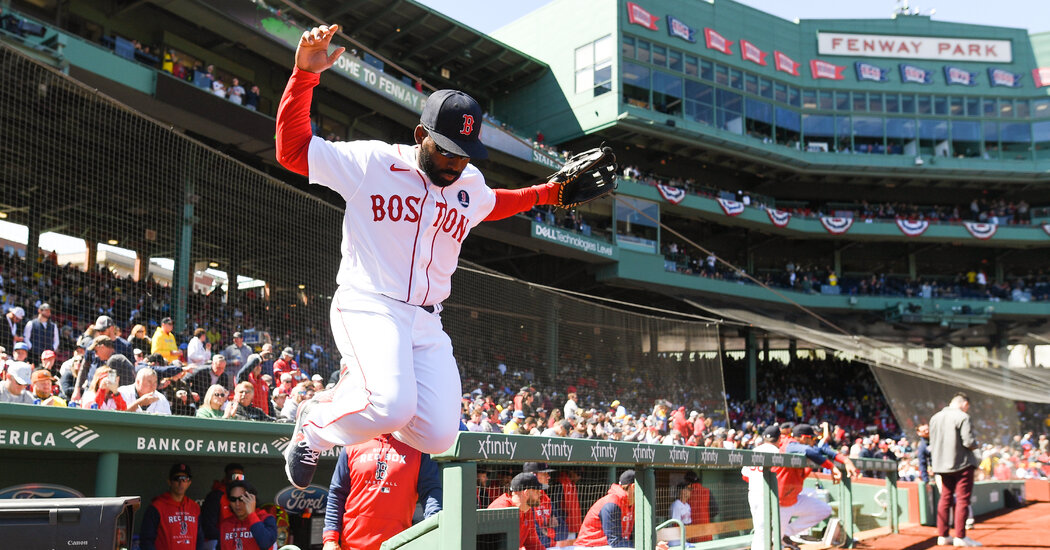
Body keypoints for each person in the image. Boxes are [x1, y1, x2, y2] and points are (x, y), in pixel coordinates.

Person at [276, 23, 588, 489]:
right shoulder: (374, 164)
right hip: (369, 303)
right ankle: (315, 425)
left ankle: (357, 389)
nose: (456, 162)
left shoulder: (469, 184)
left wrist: (548, 193)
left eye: (465, 153)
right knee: (392, 405)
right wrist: (304, 76)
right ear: (421, 133)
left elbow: (493, 202)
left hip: (426, 320)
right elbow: (294, 151)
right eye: (446, 150)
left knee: (438, 434)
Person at [322, 433, 442, 550]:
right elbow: (337, 494)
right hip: (351, 545)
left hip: (397, 544)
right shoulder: (353, 442)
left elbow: (431, 492)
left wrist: (435, 530)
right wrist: (330, 539)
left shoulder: (420, 447)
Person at [775, 424, 859, 549]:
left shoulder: (802, 446)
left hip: (791, 498)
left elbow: (824, 450)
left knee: (823, 509)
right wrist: (831, 467)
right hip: (780, 501)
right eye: (812, 438)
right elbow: (809, 451)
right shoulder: (789, 444)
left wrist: (846, 461)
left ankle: (786, 534)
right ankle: (780, 537)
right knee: (772, 541)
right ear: (804, 437)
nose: (815, 441)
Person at [929, 393, 982, 547]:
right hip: (962, 464)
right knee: (962, 499)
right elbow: (968, 441)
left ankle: (943, 535)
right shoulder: (963, 417)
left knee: (945, 498)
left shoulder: (935, 417)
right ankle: (960, 536)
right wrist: (977, 449)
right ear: (964, 404)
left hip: (941, 465)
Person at [140, 463, 204, 550]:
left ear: (189, 483)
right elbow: (146, 541)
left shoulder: (195, 507)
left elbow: (199, 539)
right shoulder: (157, 507)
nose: (181, 483)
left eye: (184, 479)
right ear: (169, 482)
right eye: (177, 479)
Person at [742, 424, 782, 550]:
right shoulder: (776, 451)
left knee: (760, 529)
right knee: (763, 531)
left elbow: (745, 475)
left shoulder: (755, 450)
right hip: (767, 495)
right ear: (779, 438)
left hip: (753, 492)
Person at [487, 472, 545, 550]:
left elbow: (533, 544)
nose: (540, 494)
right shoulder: (501, 509)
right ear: (526, 493)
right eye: (537, 491)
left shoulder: (527, 510)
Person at [219, 480, 277, 550]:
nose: (237, 504)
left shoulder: (266, 519)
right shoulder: (225, 524)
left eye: (241, 499)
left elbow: (265, 543)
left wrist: (251, 514)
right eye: (233, 499)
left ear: (252, 499)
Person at [201, 463, 245, 549]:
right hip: (218, 543)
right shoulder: (216, 496)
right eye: (234, 476)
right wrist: (227, 537)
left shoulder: (245, 496)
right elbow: (208, 527)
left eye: (240, 477)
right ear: (226, 478)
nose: (237, 480)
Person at [523, 462, 556, 547]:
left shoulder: (546, 499)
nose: (549, 477)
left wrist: (547, 531)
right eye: (545, 473)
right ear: (533, 475)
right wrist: (554, 542)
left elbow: (564, 530)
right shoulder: (525, 499)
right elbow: (536, 537)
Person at [550, 468, 582, 542]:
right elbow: (555, 503)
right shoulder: (560, 483)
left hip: (573, 523)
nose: (579, 477)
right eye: (578, 474)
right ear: (571, 471)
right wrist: (562, 518)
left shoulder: (572, 484)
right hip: (563, 525)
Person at [667, 482, 692, 547]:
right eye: (685, 489)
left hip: (683, 540)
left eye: (689, 490)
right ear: (680, 491)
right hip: (674, 541)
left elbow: (688, 523)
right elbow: (676, 523)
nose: (687, 492)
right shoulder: (676, 504)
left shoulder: (687, 506)